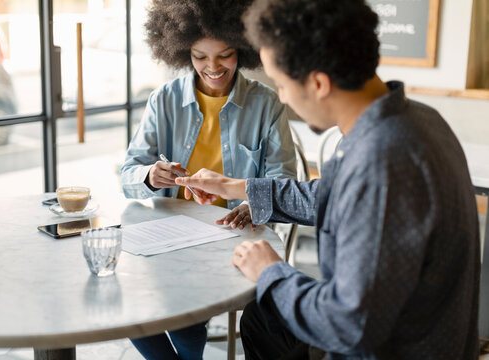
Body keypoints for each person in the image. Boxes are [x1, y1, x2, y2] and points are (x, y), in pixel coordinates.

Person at [175, 0, 481, 358]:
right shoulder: (417, 120)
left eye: (282, 85)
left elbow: (349, 324)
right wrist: (234, 186)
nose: (284, 99)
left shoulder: (383, 162)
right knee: (263, 317)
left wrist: (272, 271)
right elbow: (335, 196)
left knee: (268, 302)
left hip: (394, 346)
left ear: (318, 83)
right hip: (424, 329)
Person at [120, 0, 297, 358]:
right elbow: (128, 174)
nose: (212, 67)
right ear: (183, 51)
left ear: (243, 50)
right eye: (200, 56)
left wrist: (251, 203)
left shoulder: (267, 105)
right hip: (170, 232)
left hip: (234, 235)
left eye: (225, 55)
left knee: (184, 302)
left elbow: (284, 180)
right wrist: (151, 175)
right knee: (128, 299)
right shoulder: (163, 101)